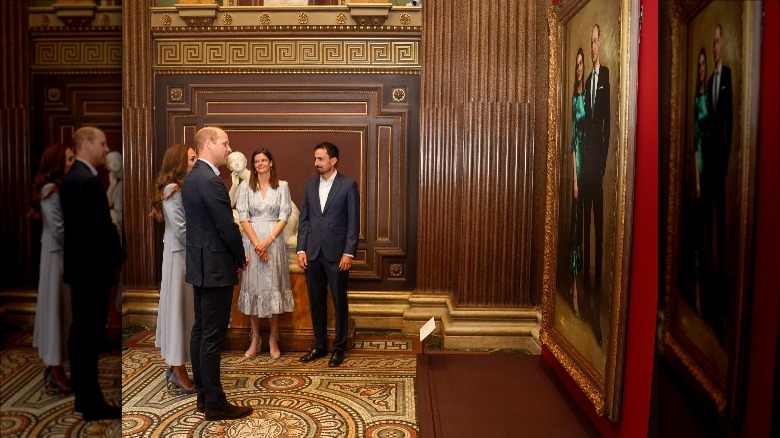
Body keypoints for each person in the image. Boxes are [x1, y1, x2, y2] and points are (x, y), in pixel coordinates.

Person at [181, 126, 252, 421]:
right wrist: (240, 256)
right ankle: (215, 403)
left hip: (199, 266)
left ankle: (203, 396)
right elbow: (226, 227)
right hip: (215, 268)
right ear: (208, 144)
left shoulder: (191, 178)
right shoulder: (211, 181)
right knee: (212, 336)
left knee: (200, 332)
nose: (228, 148)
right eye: (224, 143)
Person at [60, 126, 123, 420]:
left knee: (81, 335)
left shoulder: (73, 178)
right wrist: (117, 256)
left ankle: (84, 398)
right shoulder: (86, 181)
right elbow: (99, 231)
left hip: (81, 270)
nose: (106, 148)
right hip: (93, 272)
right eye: (101, 143)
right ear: (86, 144)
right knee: (88, 337)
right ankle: (91, 402)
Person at [296, 142, 360, 367]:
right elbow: (304, 220)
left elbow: (353, 223)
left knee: (339, 302)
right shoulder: (309, 185)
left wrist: (348, 253)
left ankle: (339, 348)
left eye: (321, 159)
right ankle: (320, 345)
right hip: (313, 253)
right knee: (316, 302)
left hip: (337, 254)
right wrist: (301, 249)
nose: (316, 163)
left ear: (333, 161)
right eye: (315, 159)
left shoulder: (348, 185)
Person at [236, 148, 295, 359]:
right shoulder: (245, 187)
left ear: (271, 163)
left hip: (274, 242)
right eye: (256, 161)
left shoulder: (282, 186)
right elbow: (243, 217)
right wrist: (256, 244)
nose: (260, 164)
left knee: (273, 289)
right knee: (254, 289)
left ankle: (273, 338)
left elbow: (284, 216)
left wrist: (267, 242)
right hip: (251, 243)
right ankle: (255, 339)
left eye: (264, 160)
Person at [151, 144, 198, 395]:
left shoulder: (183, 188)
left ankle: (176, 365)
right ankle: (178, 370)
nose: (195, 162)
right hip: (179, 257)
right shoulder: (172, 190)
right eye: (191, 159)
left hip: (183, 256)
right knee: (177, 311)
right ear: (179, 162)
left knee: (183, 312)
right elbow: (181, 230)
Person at [30, 143, 75, 394]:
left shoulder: (58, 188)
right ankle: (55, 368)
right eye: (68, 159)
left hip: (60, 256)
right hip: (56, 257)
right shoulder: (50, 190)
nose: (71, 163)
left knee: (60, 312)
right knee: (55, 312)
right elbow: (60, 230)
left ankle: (55, 365)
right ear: (56, 162)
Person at [703, 23, 732, 332]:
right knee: (707, 230)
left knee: (720, 234)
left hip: (718, 170)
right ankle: (708, 297)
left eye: (717, 42)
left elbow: (730, 125)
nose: (714, 48)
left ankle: (721, 300)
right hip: (705, 171)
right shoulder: (710, 80)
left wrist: (723, 165)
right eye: (711, 43)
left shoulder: (728, 79)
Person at [582, 24, 610, 345]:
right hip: (584, 169)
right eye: (589, 42)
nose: (592, 47)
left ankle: (599, 303)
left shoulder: (605, 77)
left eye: (595, 41)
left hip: (597, 169)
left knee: (599, 235)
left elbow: (607, 124)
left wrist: (600, 168)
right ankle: (587, 304)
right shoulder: (587, 80)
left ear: (601, 44)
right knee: (586, 234)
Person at [569, 47, 586, 320]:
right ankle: (573, 290)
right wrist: (574, 178)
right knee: (575, 232)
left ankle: (583, 289)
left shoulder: (591, 97)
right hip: (578, 168)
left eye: (582, 63)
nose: (580, 68)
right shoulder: (575, 100)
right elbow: (573, 143)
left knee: (585, 232)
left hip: (591, 166)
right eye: (577, 64)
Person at [692, 47, 709, 316]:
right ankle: (696, 288)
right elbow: (695, 143)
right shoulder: (697, 99)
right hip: (700, 170)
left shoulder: (713, 98)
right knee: (699, 231)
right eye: (700, 65)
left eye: (704, 64)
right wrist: (696, 178)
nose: (702, 68)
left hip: (714, 167)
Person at [106, 150, 123, 234]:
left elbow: (118, 208)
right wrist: (112, 185)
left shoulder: (121, 184)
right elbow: (107, 203)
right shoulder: (118, 183)